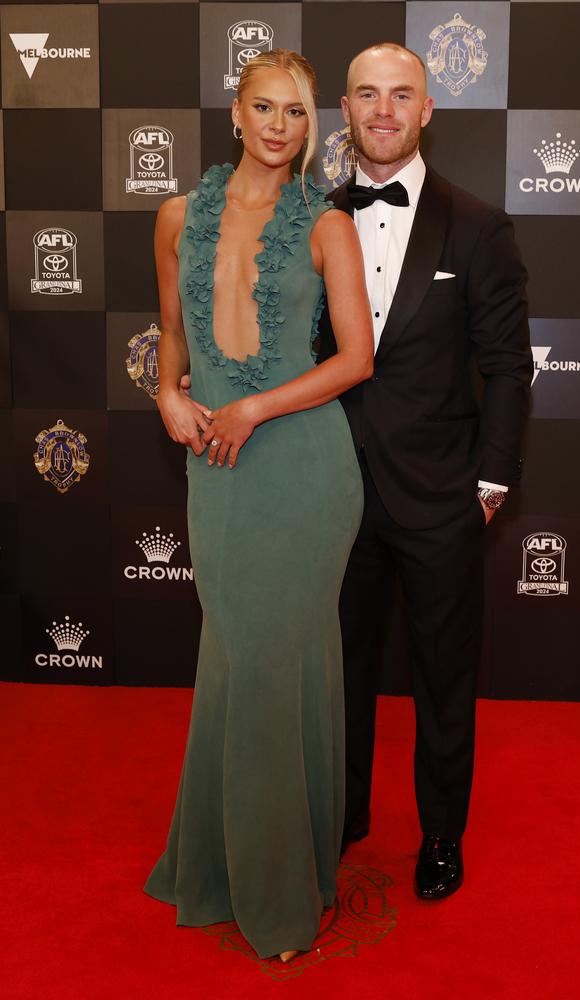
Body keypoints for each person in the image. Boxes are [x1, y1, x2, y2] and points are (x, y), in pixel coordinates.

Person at [144, 50, 374, 960]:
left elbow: (355, 358)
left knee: (280, 668)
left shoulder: (326, 225)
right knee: (236, 664)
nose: (281, 126)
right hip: (219, 471)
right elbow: (169, 338)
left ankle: (281, 893)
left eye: (297, 113)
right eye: (265, 108)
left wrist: (256, 404)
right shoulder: (174, 218)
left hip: (304, 468)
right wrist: (168, 392)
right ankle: (213, 866)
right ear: (235, 113)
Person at [318, 43, 532, 899]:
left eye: (400, 95)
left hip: (443, 498)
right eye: (367, 94)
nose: (382, 110)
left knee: (445, 679)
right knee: (340, 673)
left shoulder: (478, 225)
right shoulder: (317, 216)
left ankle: (441, 835)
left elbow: (508, 366)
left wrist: (490, 483)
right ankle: (339, 816)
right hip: (332, 491)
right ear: (345, 108)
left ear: (427, 109)